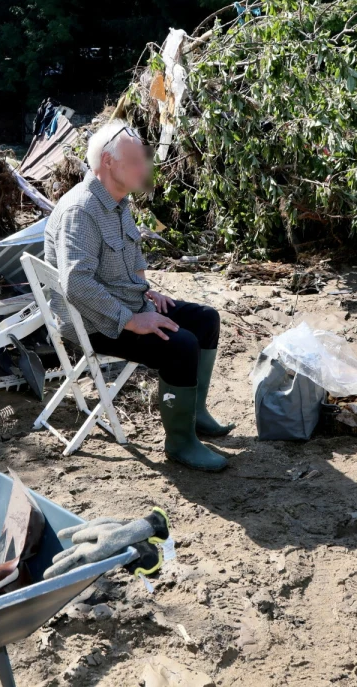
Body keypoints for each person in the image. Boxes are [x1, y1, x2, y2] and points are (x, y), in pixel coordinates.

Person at [43, 120, 231, 472]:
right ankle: (180, 443)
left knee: (206, 319)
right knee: (182, 344)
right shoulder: (81, 211)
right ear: (108, 162)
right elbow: (77, 285)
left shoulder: (117, 201)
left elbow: (129, 261)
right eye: (135, 161)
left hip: (124, 303)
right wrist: (133, 320)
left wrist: (146, 294)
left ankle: (196, 414)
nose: (144, 167)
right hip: (96, 322)